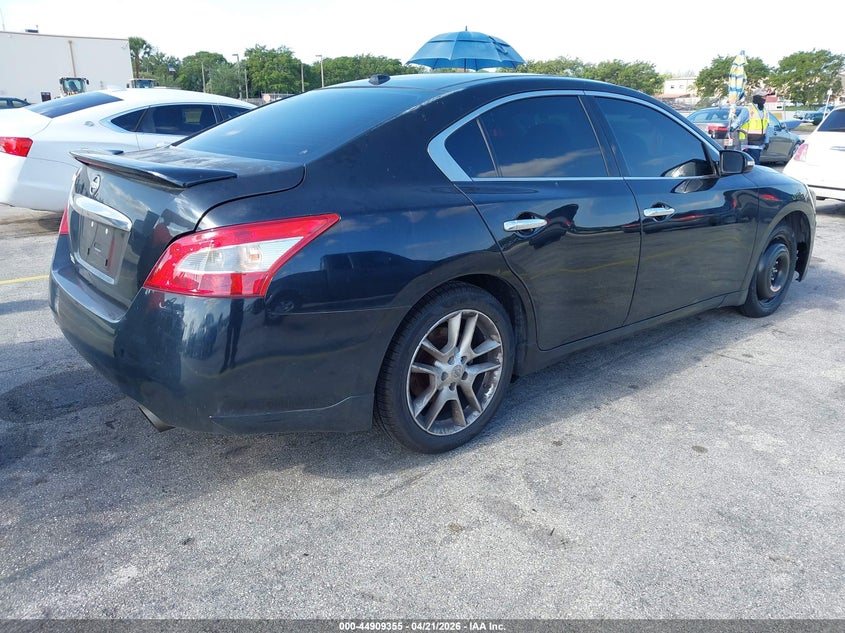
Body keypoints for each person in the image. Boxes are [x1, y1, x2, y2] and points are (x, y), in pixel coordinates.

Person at [729, 90, 771, 163]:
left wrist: (766, 141)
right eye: (763, 97)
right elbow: (739, 121)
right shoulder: (748, 109)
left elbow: (767, 127)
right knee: (751, 165)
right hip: (747, 143)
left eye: (765, 97)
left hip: (758, 144)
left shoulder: (765, 111)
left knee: (754, 164)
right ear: (757, 97)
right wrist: (731, 128)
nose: (765, 99)